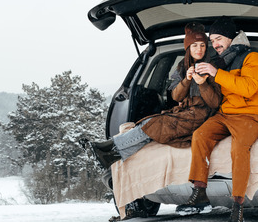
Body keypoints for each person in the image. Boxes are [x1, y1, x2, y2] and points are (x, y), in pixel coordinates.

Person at [175, 16, 258, 222]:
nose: (215, 44)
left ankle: (237, 206)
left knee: (239, 148)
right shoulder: (222, 61)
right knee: (200, 135)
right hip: (227, 113)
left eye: (218, 39)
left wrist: (216, 73)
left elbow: (247, 88)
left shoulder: (253, 58)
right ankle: (199, 193)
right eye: (213, 40)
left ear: (230, 37)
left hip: (253, 115)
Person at [90, 22, 223, 168]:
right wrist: (187, 80)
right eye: (195, 45)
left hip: (201, 116)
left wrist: (203, 83)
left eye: (202, 45)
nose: (199, 49)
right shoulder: (182, 67)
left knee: (152, 125)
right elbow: (176, 97)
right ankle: (110, 157)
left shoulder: (213, 67)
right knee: (150, 125)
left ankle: (106, 146)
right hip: (185, 113)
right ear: (188, 48)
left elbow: (215, 103)